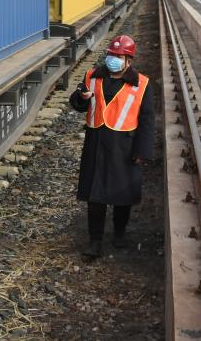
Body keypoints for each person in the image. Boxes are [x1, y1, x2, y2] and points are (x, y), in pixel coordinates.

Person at [68, 34, 155, 258]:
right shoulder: (92, 76)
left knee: (122, 195)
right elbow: (78, 104)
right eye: (110, 55)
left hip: (124, 147)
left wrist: (142, 152)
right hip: (96, 144)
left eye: (118, 56)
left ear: (129, 61)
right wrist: (81, 98)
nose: (112, 59)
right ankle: (95, 241)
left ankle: (119, 233)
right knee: (95, 195)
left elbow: (147, 120)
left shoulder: (142, 84)